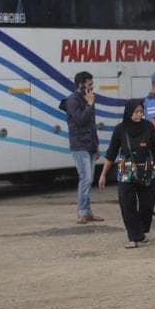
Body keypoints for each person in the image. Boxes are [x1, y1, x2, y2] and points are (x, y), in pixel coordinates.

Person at [98, 100, 155, 248]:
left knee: (147, 204)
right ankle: (133, 237)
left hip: (147, 169)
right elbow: (111, 154)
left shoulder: (148, 127)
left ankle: (140, 231)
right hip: (126, 170)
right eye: (136, 112)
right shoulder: (120, 129)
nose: (139, 115)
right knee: (127, 205)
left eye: (141, 112)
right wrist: (103, 174)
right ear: (129, 112)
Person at [66, 71, 103, 225]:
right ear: (80, 84)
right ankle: (81, 212)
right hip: (79, 145)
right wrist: (88, 104)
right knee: (85, 178)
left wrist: (97, 145)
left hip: (90, 145)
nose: (91, 87)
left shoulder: (89, 99)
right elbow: (81, 120)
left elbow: (91, 124)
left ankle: (87, 212)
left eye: (92, 84)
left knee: (89, 179)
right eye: (89, 84)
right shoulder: (72, 100)